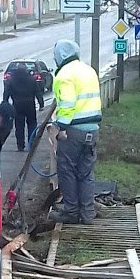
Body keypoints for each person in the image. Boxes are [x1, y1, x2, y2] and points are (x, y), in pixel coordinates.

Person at [49, 39, 103, 224]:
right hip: (92, 129)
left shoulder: (64, 74)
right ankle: (87, 214)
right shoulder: (89, 71)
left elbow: (67, 104)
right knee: (86, 173)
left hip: (73, 131)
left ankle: (71, 212)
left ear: (61, 55)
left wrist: (61, 127)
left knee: (67, 171)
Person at [2, 64, 44, 152]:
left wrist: (5, 103)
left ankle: (20, 145)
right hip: (30, 104)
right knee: (32, 123)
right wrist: (41, 104)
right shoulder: (32, 79)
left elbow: (6, 93)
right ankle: (31, 143)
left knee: (19, 126)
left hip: (17, 105)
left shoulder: (12, 80)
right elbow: (38, 93)